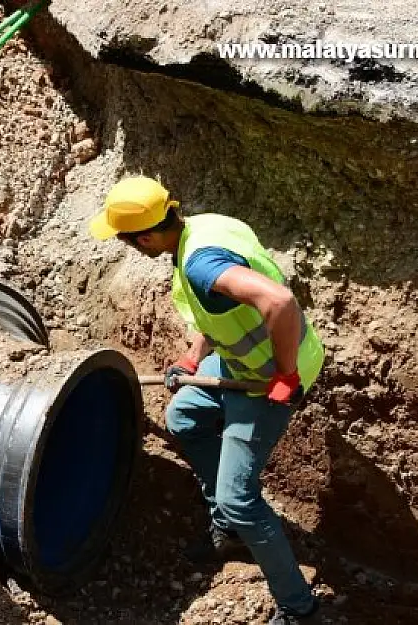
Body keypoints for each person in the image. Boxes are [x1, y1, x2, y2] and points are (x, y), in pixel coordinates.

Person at [88, 176, 326, 625]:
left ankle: (300, 608)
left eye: (126, 240)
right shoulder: (203, 227)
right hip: (241, 362)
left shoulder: (199, 263)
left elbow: (278, 301)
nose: (129, 247)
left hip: (268, 374)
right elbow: (222, 306)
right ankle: (230, 530)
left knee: (240, 497)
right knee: (184, 416)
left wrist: (286, 373)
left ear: (143, 237)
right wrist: (197, 358)